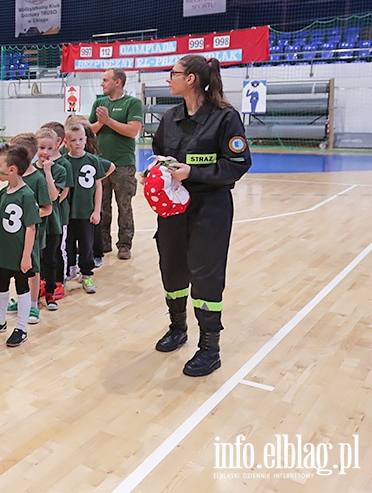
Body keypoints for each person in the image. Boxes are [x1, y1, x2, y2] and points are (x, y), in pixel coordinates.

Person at [152, 55, 251, 377]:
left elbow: (237, 164)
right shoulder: (169, 118)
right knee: (172, 268)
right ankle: (177, 327)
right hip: (173, 208)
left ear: (191, 78)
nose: (169, 79)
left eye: (173, 74)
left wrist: (193, 171)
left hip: (210, 209)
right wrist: (154, 173)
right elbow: (160, 156)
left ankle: (210, 347)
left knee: (206, 276)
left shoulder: (225, 118)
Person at [0, 144, 39, 347]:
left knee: (21, 286)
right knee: (1, 282)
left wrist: (26, 255)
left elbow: (31, 227)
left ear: (11, 169)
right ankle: (0, 320)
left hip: (19, 251)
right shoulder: (5, 192)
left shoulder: (26, 195)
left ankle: (21, 327)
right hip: (4, 249)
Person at [89, 69, 142, 260]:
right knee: (101, 206)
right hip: (100, 164)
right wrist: (101, 123)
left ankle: (125, 245)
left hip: (123, 165)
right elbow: (90, 131)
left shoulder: (132, 103)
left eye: (105, 80)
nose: (102, 83)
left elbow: (132, 131)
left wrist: (108, 120)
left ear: (117, 82)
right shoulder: (99, 103)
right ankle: (103, 244)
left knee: (124, 206)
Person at [6, 133, 51, 326]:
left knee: (32, 268)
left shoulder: (38, 179)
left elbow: (47, 208)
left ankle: (33, 304)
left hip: (32, 232)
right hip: (15, 234)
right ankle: (22, 298)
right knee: (18, 268)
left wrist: (29, 216)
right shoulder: (14, 176)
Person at [64, 123, 109, 295]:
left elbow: (98, 186)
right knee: (67, 245)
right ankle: (70, 270)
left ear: (86, 140)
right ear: (66, 142)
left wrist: (97, 210)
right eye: (73, 140)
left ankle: (87, 274)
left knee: (87, 245)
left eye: (81, 139)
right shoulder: (63, 161)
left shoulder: (93, 161)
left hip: (86, 212)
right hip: (67, 213)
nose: (78, 143)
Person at [33, 127, 67, 311]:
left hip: (52, 222)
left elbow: (54, 197)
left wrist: (47, 173)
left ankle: (50, 293)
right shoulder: (29, 171)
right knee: (34, 260)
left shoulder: (60, 170)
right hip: (35, 223)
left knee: (50, 259)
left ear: (56, 148)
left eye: (49, 148)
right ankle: (34, 293)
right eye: (41, 148)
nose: (45, 152)